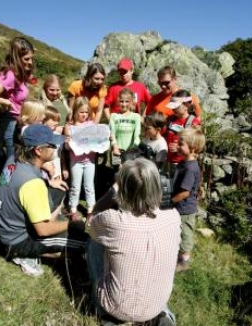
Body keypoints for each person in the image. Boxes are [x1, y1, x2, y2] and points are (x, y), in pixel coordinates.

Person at [86, 157, 180, 325]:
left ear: (122, 189)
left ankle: (104, 311)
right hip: (157, 305)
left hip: (115, 307)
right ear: (159, 186)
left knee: (94, 242)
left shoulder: (113, 221)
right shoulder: (174, 217)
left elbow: (90, 223)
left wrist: (112, 192)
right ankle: (162, 312)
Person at [0, 124, 88, 276]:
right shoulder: (32, 184)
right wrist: (71, 225)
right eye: (52, 145)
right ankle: (22, 255)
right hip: (17, 240)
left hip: (6, 225)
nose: (56, 147)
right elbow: (42, 230)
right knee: (85, 243)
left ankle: (48, 220)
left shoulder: (14, 158)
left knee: (59, 191)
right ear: (38, 150)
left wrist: (49, 182)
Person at [0, 37, 35, 160]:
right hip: (10, 124)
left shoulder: (18, 75)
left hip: (16, 122)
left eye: (32, 58)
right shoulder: (10, 75)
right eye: (27, 59)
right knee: (11, 162)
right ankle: (5, 179)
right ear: (16, 57)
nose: (31, 62)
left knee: (16, 160)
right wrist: (6, 102)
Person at [170, 127, 205, 272]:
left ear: (193, 148)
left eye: (181, 144)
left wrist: (169, 202)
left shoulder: (190, 168)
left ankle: (184, 261)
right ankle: (176, 254)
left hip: (185, 208)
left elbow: (185, 193)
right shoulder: (184, 163)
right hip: (179, 207)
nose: (177, 146)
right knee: (178, 231)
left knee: (186, 234)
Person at [64, 97, 97, 221]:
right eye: (81, 112)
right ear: (75, 111)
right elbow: (67, 147)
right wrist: (67, 143)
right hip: (76, 161)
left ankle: (90, 210)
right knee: (75, 186)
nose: (84, 115)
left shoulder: (92, 125)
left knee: (89, 186)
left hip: (90, 161)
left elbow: (97, 143)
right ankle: (73, 209)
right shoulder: (70, 126)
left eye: (86, 112)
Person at [164, 89, 202, 174]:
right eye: (172, 107)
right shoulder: (170, 119)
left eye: (176, 107)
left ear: (186, 105)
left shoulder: (194, 122)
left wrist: (178, 147)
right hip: (168, 162)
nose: (173, 109)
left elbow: (197, 145)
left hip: (184, 165)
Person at [109, 88, 142, 167]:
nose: (124, 104)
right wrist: (115, 147)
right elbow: (112, 134)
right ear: (118, 101)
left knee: (129, 174)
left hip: (130, 152)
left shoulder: (136, 117)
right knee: (117, 174)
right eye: (121, 101)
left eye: (127, 101)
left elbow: (137, 135)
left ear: (132, 102)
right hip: (116, 151)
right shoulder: (113, 116)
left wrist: (133, 148)